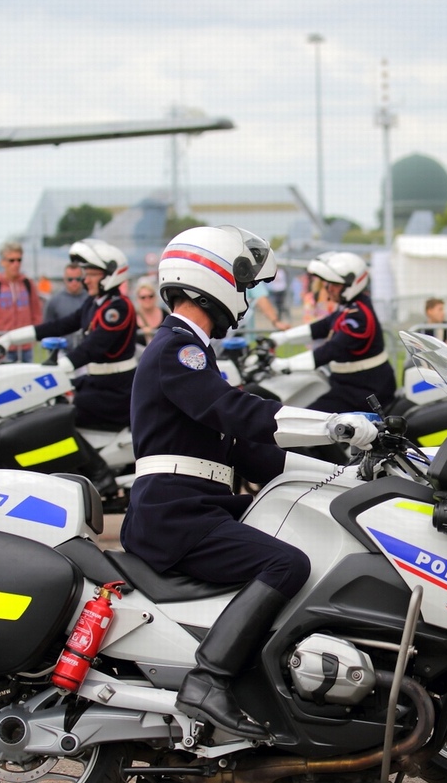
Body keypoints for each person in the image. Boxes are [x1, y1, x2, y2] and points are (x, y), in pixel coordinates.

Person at [124, 225, 378, 737]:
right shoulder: (178, 349)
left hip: (193, 508)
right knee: (286, 562)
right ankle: (209, 679)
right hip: (174, 514)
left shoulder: (192, 353)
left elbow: (253, 455)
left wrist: (349, 475)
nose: (245, 297)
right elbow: (237, 413)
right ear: (211, 280)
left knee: (302, 533)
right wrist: (332, 423)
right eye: (242, 284)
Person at [0, 239, 137, 439]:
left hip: (116, 390)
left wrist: (51, 370)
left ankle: (96, 470)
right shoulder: (94, 303)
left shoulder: (118, 308)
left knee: (59, 419)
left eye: (91, 274)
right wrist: (10, 338)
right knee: (49, 404)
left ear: (110, 275)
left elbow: (92, 348)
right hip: (98, 382)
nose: (85, 280)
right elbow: (60, 326)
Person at [266, 251, 396, 413]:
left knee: (306, 423)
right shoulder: (350, 306)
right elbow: (322, 326)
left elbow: (332, 349)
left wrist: (284, 364)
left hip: (364, 391)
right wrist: (281, 338)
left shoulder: (360, 317)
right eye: (328, 284)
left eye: (335, 285)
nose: (328, 289)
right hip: (348, 384)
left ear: (352, 284)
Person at [0, 241, 41, 360]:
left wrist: (34, 336)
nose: (16, 264)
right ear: (3, 262)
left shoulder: (27, 284)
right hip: (3, 346)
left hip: (25, 347)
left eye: (19, 260)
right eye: (11, 260)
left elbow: (36, 312)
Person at [132, 275, 163, 340]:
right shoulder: (132, 317)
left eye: (150, 296)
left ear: (155, 296)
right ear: (138, 299)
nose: (147, 300)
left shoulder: (165, 315)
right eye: (143, 297)